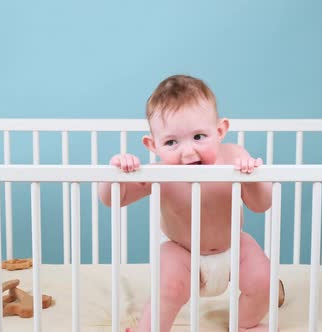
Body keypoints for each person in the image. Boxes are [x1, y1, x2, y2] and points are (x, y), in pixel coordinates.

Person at [98, 75, 284, 332]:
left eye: (199, 136)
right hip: (183, 252)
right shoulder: (157, 174)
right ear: (153, 146)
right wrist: (116, 174)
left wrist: (253, 178)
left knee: (265, 281)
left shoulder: (235, 157)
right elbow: (112, 200)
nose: (188, 152)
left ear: (220, 131)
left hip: (234, 246)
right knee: (168, 288)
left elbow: (261, 205)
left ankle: (245, 324)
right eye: (171, 142)